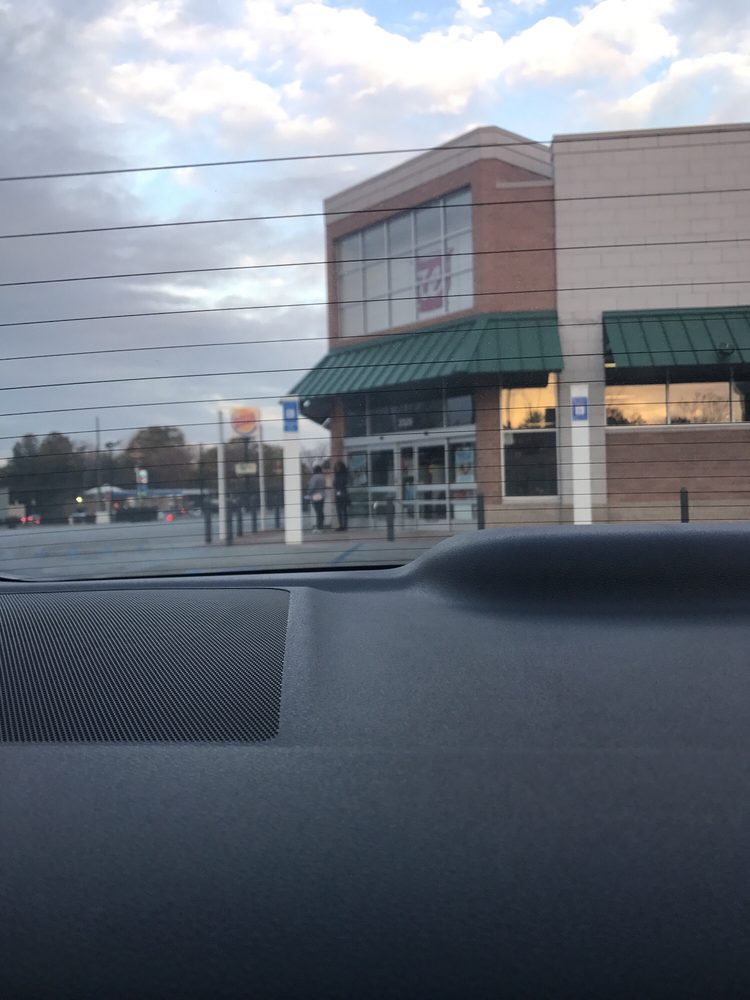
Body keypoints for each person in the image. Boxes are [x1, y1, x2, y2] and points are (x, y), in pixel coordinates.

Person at [308, 464, 326, 532]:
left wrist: (308, 492)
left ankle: (319, 527)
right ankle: (321, 526)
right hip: (322, 495)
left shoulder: (314, 477)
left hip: (315, 495)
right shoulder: (322, 477)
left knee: (318, 511)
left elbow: (312, 487)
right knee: (320, 511)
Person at [333, 461, 349, 531]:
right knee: (339, 510)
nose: (337, 468)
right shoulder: (337, 475)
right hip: (339, 494)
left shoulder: (343, 475)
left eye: (338, 467)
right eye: (336, 467)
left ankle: (344, 525)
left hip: (342, 494)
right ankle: (341, 525)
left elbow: (342, 484)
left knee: (343, 510)